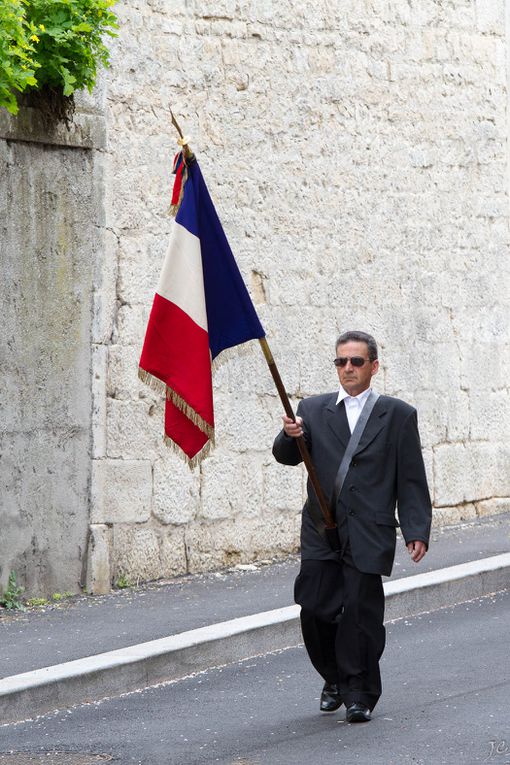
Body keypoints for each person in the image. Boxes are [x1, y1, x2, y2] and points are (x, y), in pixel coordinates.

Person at [272, 330, 432, 723]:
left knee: (360, 614)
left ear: (373, 366)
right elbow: (286, 456)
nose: (348, 369)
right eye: (341, 362)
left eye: (356, 362)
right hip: (321, 528)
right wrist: (289, 435)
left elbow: (411, 478)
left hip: (369, 529)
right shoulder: (312, 409)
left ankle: (359, 692)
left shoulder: (397, 414)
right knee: (315, 608)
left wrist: (415, 529)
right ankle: (334, 677)